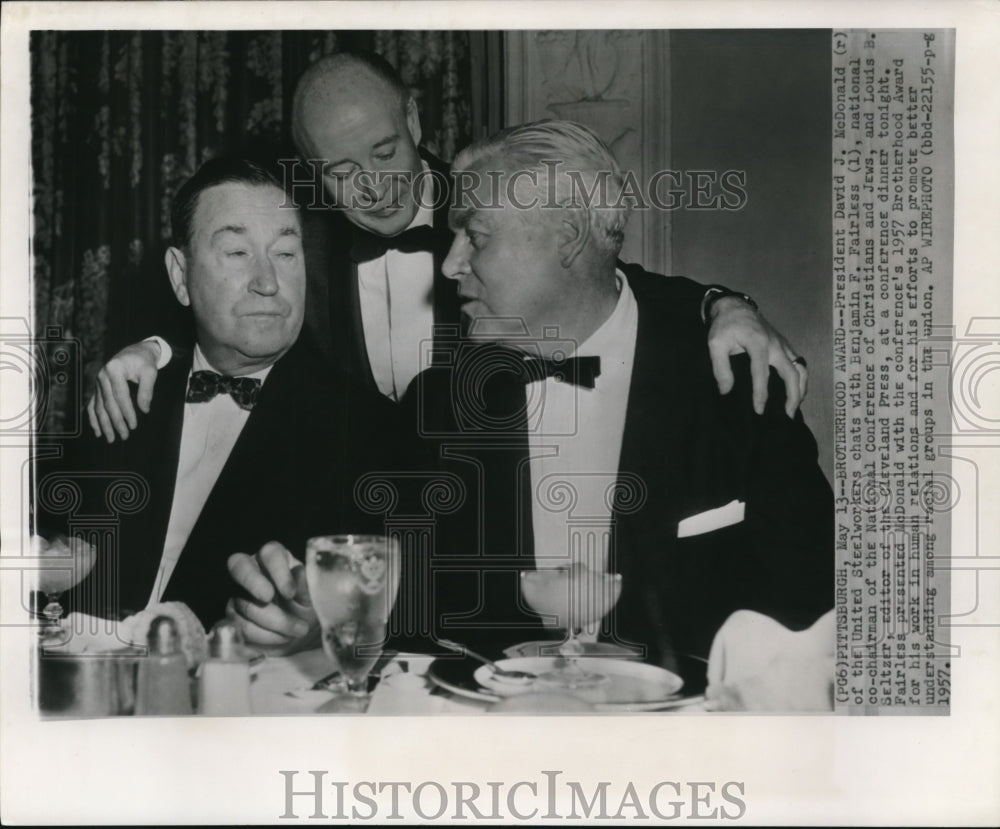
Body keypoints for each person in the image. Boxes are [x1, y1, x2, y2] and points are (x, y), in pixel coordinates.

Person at [231, 120, 833, 681]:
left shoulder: (737, 383)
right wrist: (315, 624)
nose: (450, 263)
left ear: (567, 238)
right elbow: (403, 610)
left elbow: (813, 612)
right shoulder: (437, 408)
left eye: (476, 236)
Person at [84, 50, 808, 443]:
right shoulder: (292, 240)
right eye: (340, 171)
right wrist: (151, 349)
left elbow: (600, 277)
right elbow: (232, 311)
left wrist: (724, 303)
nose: (370, 187)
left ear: (415, 115)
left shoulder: (491, 204)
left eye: (383, 149)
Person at [34, 158, 400, 632]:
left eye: (286, 254)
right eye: (236, 252)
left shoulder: (370, 429)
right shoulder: (127, 395)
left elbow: (396, 612)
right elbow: (44, 531)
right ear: (180, 276)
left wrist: (323, 629)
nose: (268, 282)